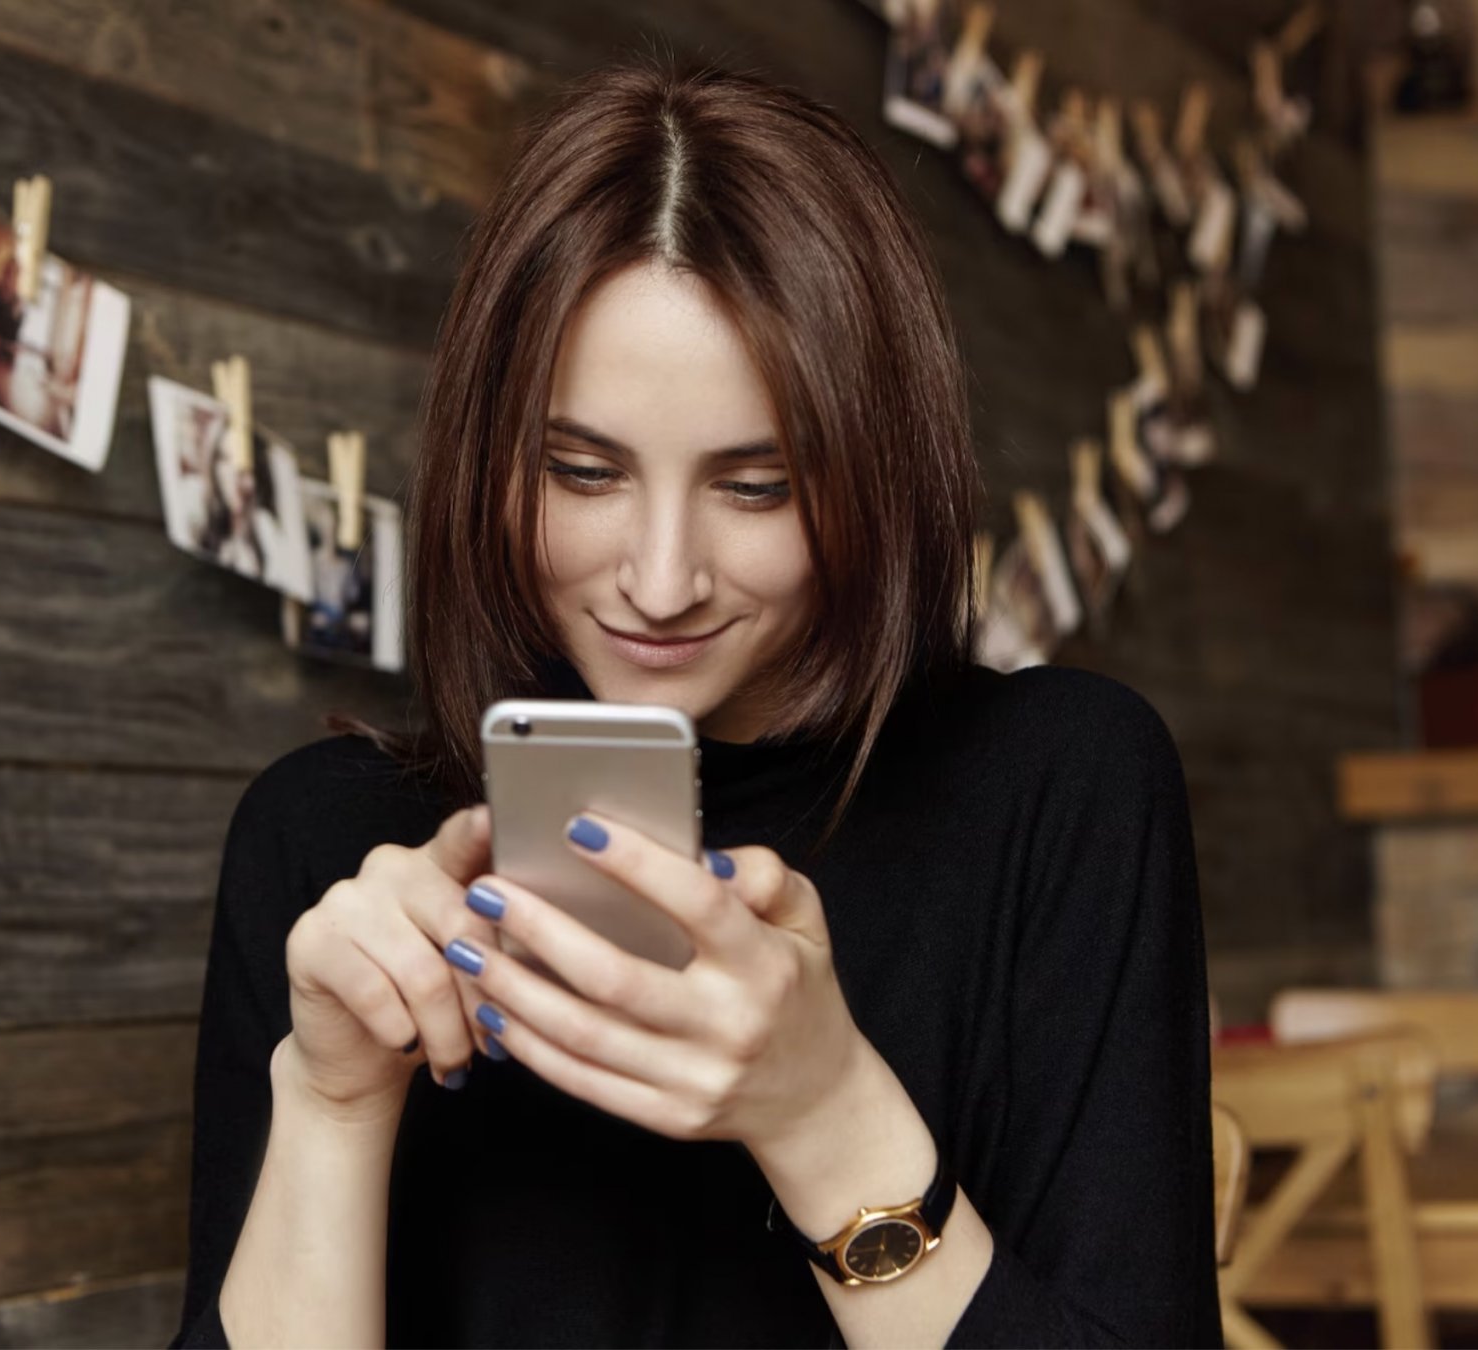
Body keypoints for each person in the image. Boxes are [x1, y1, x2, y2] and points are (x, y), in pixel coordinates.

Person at [172, 57, 1219, 1349]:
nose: (658, 582)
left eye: (755, 486)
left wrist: (821, 1107)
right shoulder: (323, 845)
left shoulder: (1055, 785)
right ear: (489, 453)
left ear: (875, 473)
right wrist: (333, 1105)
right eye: (582, 469)